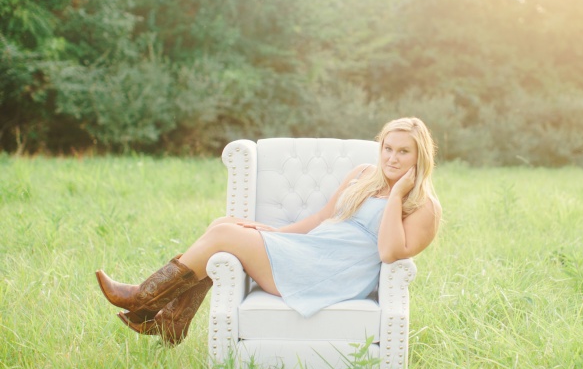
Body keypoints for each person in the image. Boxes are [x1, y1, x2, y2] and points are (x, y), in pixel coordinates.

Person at [95, 117, 442, 345]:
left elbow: (389, 252)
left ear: (419, 157)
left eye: (403, 152)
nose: (392, 158)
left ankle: (142, 299)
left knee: (223, 237)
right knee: (225, 225)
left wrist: (397, 195)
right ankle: (170, 320)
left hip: (329, 274)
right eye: (388, 148)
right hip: (311, 251)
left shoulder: (423, 205)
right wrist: (272, 232)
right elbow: (321, 218)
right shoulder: (364, 174)